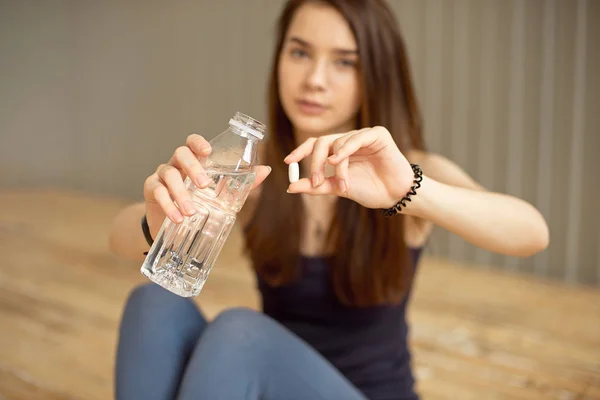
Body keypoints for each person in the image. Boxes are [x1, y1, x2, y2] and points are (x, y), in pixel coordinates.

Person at [108, 0, 550, 399]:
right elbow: (116, 240)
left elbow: (531, 233)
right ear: (279, 58)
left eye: (344, 62)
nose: (314, 80)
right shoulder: (258, 177)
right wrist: (157, 218)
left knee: (239, 333)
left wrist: (409, 192)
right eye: (299, 52)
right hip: (266, 384)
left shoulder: (404, 170)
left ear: (374, 74)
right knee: (154, 303)